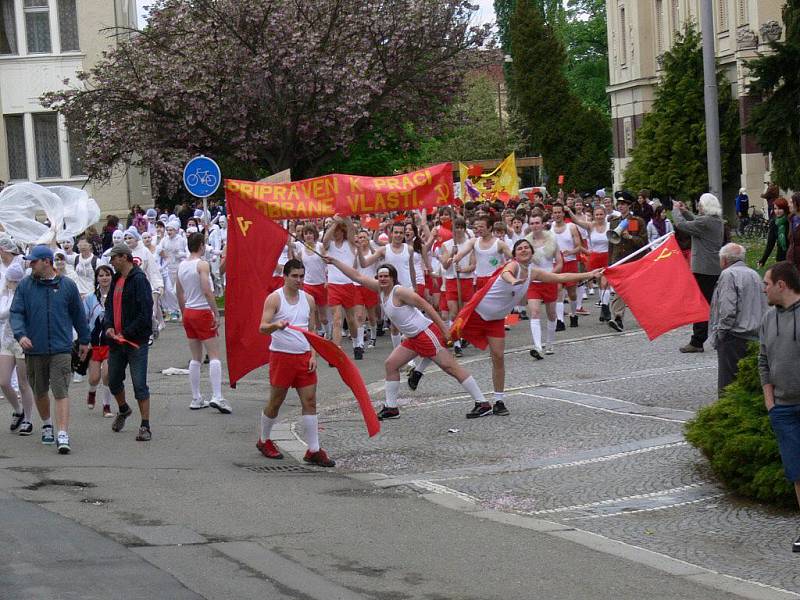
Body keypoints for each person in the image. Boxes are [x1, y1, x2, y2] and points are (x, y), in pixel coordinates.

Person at [325, 257, 490, 422]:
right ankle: (391, 408)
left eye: (386, 276)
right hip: (412, 338)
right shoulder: (380, 290)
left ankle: (482, 403)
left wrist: (444, 329)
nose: (382, 279)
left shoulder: (399, 292)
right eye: (380, 276)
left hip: (425, 333)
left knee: (451, 367)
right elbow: (357, 276)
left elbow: (426, 306)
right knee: (391, 364)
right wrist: (335, 262)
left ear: (393, 278)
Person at [455, 239, 602, 418]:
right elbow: (506, 274)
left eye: (526, 248)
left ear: (532, 253)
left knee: (498, 357)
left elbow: (560, 277)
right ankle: (419, 368)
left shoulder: (533, 272)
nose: (523, 250)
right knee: (445, 340)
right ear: (515, 254)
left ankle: (497, 401)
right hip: (476, 314)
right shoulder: (513, 265)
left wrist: (589, 274)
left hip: (495, 320)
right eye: (520, 248)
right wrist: (515, 281)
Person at [10, 245, 89, 454]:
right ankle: (47, 424)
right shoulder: (25, 286)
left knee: (61, 391)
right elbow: (16, 313)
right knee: (40, 390)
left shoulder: (67, 285)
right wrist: (21, 334)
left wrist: (84, 339)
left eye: (34, 262)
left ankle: (62, 433)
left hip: (61, 348)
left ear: (47, 261)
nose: (30, 265)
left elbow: (79, 315)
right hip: (34, 348)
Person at [257, 259, 334, 467]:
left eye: (302, 276)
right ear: (285, 276)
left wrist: (313, 355)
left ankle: (314, 450)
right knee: (276, 402)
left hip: (302, 357)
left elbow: (312, 331)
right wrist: (276, 325)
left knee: (310, 402)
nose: (299, 280)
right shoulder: (275, 298)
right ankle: (264, 440)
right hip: (281, 356)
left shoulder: (308, 299)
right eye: (295, 276)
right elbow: (262, 327)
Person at [758, 261, 800, 552]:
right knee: (797, 472)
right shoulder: (767, 319)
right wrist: (770, 401)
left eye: (766, 284)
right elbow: (763, 361)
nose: (764, 289)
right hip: (783, 409)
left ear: (781, 285)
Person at [103, 244, 154, 442]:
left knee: (139, 384)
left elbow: (145, 313)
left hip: (135, 342)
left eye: (114, 258)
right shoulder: (117, 278)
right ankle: (123, 409)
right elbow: (108, 307)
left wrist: (126, 332)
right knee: (113, 380)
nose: (112, 262)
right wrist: (108, 326)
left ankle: (145, 425)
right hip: (116, 341)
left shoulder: (139, 280)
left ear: (124, 257)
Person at [177, 232, 229, 413]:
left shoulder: (182, 265)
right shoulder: (202, 264)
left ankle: (196, 397)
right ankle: (217, 395)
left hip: (189, 311)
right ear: (200, 246)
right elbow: (207, 290)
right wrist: (215, 312)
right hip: (201, 310)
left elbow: (179, 292)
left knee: (196, 357)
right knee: (214, 354)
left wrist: (184, 312)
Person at [708, 243, 766, 395]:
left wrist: (721, 332)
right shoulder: (754, 274)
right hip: (755, 335)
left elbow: (727, 309)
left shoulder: (728, 275)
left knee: (729, 384)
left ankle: (726, 415)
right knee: (747, 382)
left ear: (725, 260)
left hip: (735, 335)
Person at [672, 194, 725, 352]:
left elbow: (682, 226)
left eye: (701, 205)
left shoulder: (706, 222)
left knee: (701, 305)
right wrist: (685, 211)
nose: (699, 207)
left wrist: (676, 211)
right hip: (712, 268)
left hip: (703, 269)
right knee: (709, 304)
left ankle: (697, 341)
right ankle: (709, 337)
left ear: (706, 206)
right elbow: (695, 220)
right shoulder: (715, 220)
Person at [0, 263, 35, 436]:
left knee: (23, 382)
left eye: (13, 280)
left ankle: (28, 419)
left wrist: (13, 292)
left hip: (22, 340)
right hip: (7, 340)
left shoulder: (23, 294)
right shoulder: (5, 293)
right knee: (4, 381)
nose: (9, 282)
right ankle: (18, 410)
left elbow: (6, 313)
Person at [607, 193, 648, 332]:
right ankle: (618, 318)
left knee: (636, 292)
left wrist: (630, 237)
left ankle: (648, 316)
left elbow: (644, 243)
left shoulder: (637, 221)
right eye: (619, 204)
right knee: (620, 289)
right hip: (619, 261)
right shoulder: (614, 222)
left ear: (629, 205)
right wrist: (610, 264)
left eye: (623, 204)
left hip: (634, 261)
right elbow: (611, 245)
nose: (620, 206)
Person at [525, 213, 563, 358]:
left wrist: (551, 275)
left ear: (542, 224)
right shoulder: (526, 242)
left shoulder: (552, 240)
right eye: (532, 223)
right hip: (533, 283)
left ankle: (550, 342)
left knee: (552, 314)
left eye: (537, 223)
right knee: (534, 312)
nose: (535, 226)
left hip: (549, 281)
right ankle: (537, 346)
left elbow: (559, 262)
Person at [322, 215, 361, 355]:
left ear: (342, 231)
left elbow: (351, 228)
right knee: (337, 319)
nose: (336, 233)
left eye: (339, 230)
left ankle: (357, 343)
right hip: (334, 286)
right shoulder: (329, 245)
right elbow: (325, 240)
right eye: (335, 230)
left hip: (348, 285)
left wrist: (344, 218)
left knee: (351, 320)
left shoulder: (349, 243)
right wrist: (333, 224)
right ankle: (336, 350)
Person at [83, 265, 114, 417]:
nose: (104, 278)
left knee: (107, 375)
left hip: (111, 342)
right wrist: (83, 339)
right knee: (94, 378)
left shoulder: (117, 296)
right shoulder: (90, 298)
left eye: (107, 275)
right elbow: (84, 319)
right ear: (97, 278)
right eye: (101, 275)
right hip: (94, 343)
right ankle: (92, 392)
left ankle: (106, 406)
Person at [758, 197, 790, 268]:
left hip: (793, 255)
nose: (777, 211)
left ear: (785, 209)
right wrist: (763, 259)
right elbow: (770, 243)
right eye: (775, 209)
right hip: (781, 256)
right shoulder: (774, 223)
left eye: (780, 208)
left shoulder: (790, 221)